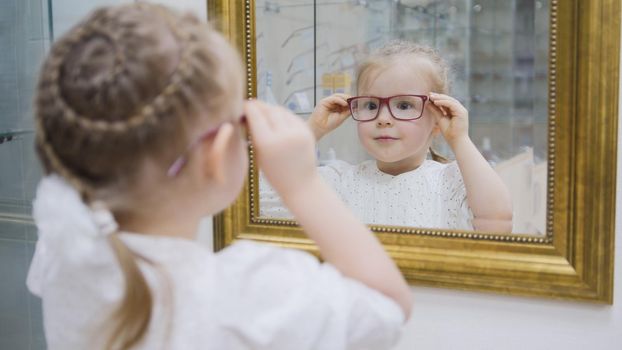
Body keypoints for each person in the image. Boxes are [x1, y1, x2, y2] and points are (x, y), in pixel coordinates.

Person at [26, 4, 412, 349]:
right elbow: (389, 307)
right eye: (242, 121)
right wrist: (302, 184)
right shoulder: (253, 294)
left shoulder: (64, 252)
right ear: (216, 154)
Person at [263, 41, 512, 232]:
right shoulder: (339, 181)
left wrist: (460, 140)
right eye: (371, 105)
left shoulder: (453, 182)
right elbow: (261, 199)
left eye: (404, 105)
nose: (383, 118)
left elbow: (497, 222)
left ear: (438, 120)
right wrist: (312, 130)